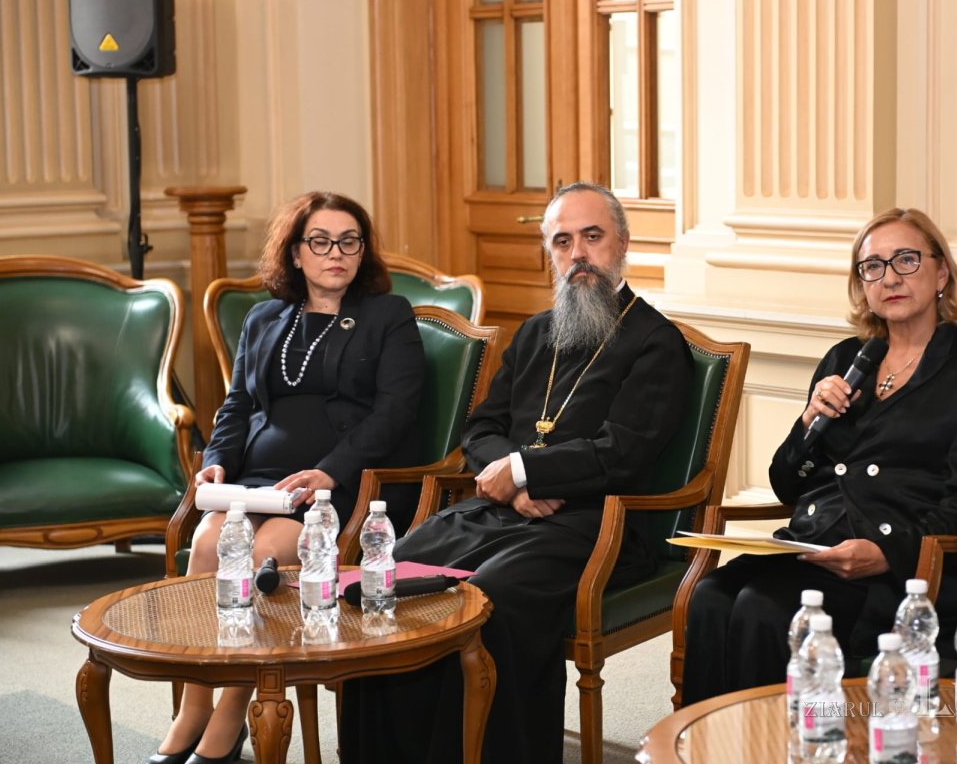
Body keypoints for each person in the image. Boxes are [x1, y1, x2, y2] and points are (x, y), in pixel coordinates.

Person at [340, 181, 693, 763]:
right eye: (562, 241)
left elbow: (623, 452)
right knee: (385, 577)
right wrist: (513, 477)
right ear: (549, 255)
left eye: (592, 236)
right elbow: (479, 430)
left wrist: (526, 471)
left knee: (487, 602)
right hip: (498, 512)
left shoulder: (656, 342)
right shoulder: (535, 333)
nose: (577, 253)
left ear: (622, 243)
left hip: (592, 526)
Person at [679, 207, 957, 704]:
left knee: (762, 608)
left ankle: (779, 754)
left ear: (941, 271)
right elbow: (785, 485)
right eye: (872, 267)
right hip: (816, 548)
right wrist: (809, 423)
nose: (890, 278)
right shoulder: (846, 358)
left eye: (905, 260)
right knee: (709, 598)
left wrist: (887, 553)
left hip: (904, 570)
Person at [150, 191, 425, 764]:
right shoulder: (265, 316)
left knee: (254, 554)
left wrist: (328, 471)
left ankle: (227, 720)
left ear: (362, 251)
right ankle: (192, 710)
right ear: (296, 253)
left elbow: (395, 413)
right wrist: (217, 458)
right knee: (206, 545)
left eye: (349, 242)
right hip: (256, 480)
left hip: (337, 488)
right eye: (320, 242)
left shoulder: (386, 316)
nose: (336, 254)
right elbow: (237, 403)